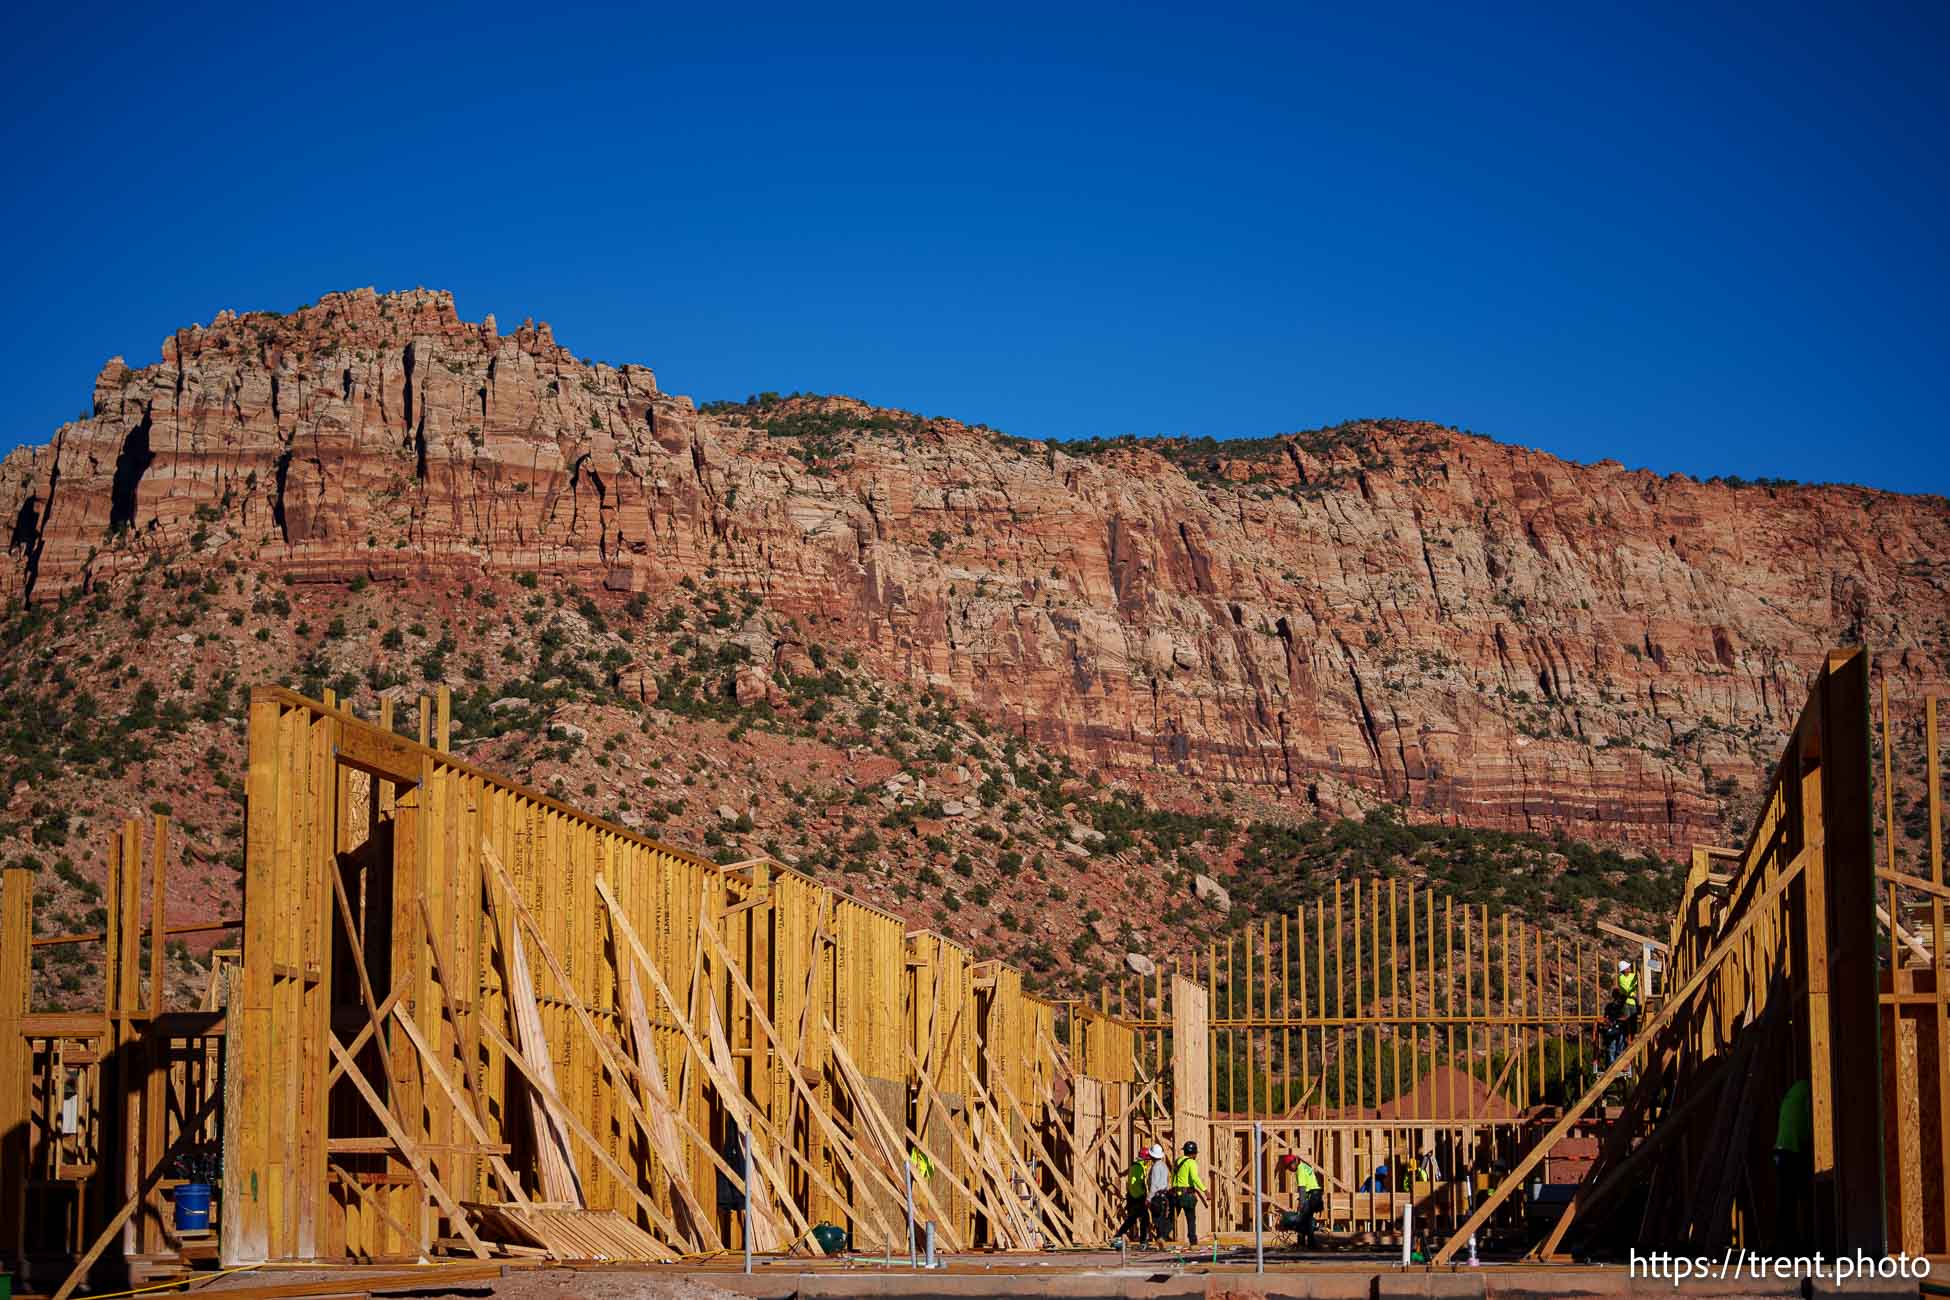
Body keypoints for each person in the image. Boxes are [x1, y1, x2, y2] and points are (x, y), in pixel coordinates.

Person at [1773, 1078, 1812, 1252]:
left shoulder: (1796, 1090)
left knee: (1785, 1200)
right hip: (1792, 1150)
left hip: (1781, 1149)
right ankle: (1793, 1245)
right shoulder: (1808, 1092)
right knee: (1797, 1198)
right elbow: (1810, 1122)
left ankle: (1785, 1244)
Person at [1171, 1140, 1209, 1246]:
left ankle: (1162, 1237)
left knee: (1171, 1217)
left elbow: (1173, 1177)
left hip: (1176, 1193)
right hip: (1187, 1195)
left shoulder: (1178, 1161)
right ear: (1193, 1153)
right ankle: (1193, 1241)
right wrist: (1205, 1190)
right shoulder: (1191, 1162)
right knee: (1191, 1218)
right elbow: (1195, 1178)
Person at [1113, 1150, 1151, 1245]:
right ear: (1145, 1158)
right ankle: (1142, 1241)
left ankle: (1119, 1235)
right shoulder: (1138, 1168)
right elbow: (1135, 1183)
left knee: (1133, 1218)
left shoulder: (1137, 1166)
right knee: (1144, 1218)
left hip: (1135, 1197)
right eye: (1148, 1159)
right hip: (1138, 1197)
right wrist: (1141, 1196)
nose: (1149, 1161)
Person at [1293, 1155, 1323, 1249]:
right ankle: (1310, 1243)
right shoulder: (1305, 1166)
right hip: (1316, 1195)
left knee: (1303, 1219)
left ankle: (1304, 1243)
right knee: (1308, 1219)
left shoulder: (1300, 1170)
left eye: (1289, 1167)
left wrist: (1301, 1204)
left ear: (1294, 1162)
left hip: (1313, 1196)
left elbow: (1302, 1189)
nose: (1290, 1169)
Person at [1145, 1143, 1173, 1242]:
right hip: (1164, 1195)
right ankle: (1161, 1239)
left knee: (1157, 1220)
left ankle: (1161, 1239)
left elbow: (1154, 1185)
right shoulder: (1164, 1166)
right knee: (1162, 1219)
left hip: (1157, 1197)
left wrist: (1148, 1199)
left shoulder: (1156, 1167)